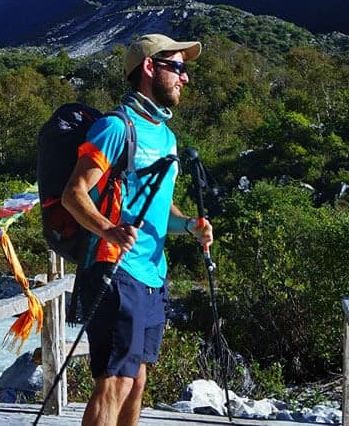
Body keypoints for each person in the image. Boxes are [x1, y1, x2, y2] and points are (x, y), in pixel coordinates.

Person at [61, 33, 214, 426]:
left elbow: (160, 207)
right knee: (114, 382)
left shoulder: (166, 136)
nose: (185, 77)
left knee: (138, 378)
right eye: (177, 67)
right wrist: (109, 230)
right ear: (150, 68)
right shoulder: (116, 127)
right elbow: (74, 194)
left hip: (152, 273)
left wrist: (190, 227)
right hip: (115, 268)